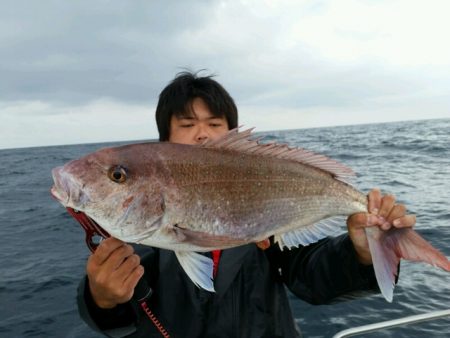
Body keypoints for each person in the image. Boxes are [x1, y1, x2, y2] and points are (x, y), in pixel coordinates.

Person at [77, 71, 416, 337]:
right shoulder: (139, 235)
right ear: (164, 144)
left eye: (214, 124)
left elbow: (312, 278)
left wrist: (361, 254)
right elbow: (125, 320)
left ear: (233, 136)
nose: (201, 134)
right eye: (186, 125)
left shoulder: (266, 222)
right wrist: (102, 299)